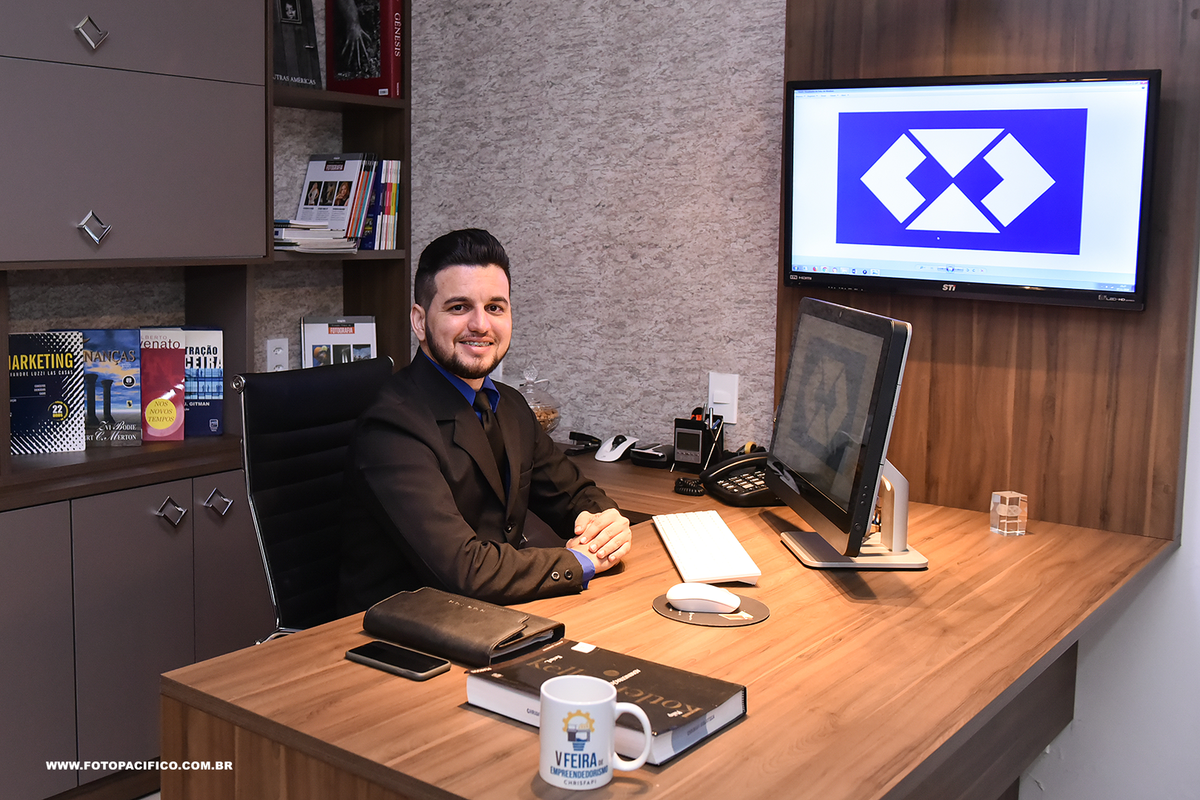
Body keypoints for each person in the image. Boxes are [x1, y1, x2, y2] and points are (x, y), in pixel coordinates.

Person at [338, 229, 633, 610]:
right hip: (405, 629)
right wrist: (581, 561)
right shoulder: (391, 427)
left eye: (495, 307)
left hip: (492, 614)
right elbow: (465, 571)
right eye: (459, 307)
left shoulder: (509, 405)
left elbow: (573, 495)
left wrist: (605, 523)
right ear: (419, 321)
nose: (480, 325)